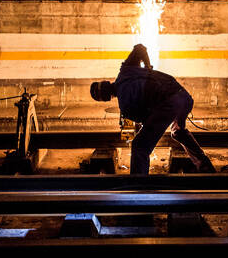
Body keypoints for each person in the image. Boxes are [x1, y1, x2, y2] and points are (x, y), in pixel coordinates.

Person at [90, 43, 215, 174]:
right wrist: (148, 68)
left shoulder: (126, 107)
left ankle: (139, 183)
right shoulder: (126, 70)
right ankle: (205, 166)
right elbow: (140, 48)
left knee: (140, 146)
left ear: (106, 99)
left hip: (169, 105)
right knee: (178, 131)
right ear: (105, 82)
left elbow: (147, 121)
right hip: (184, 97)